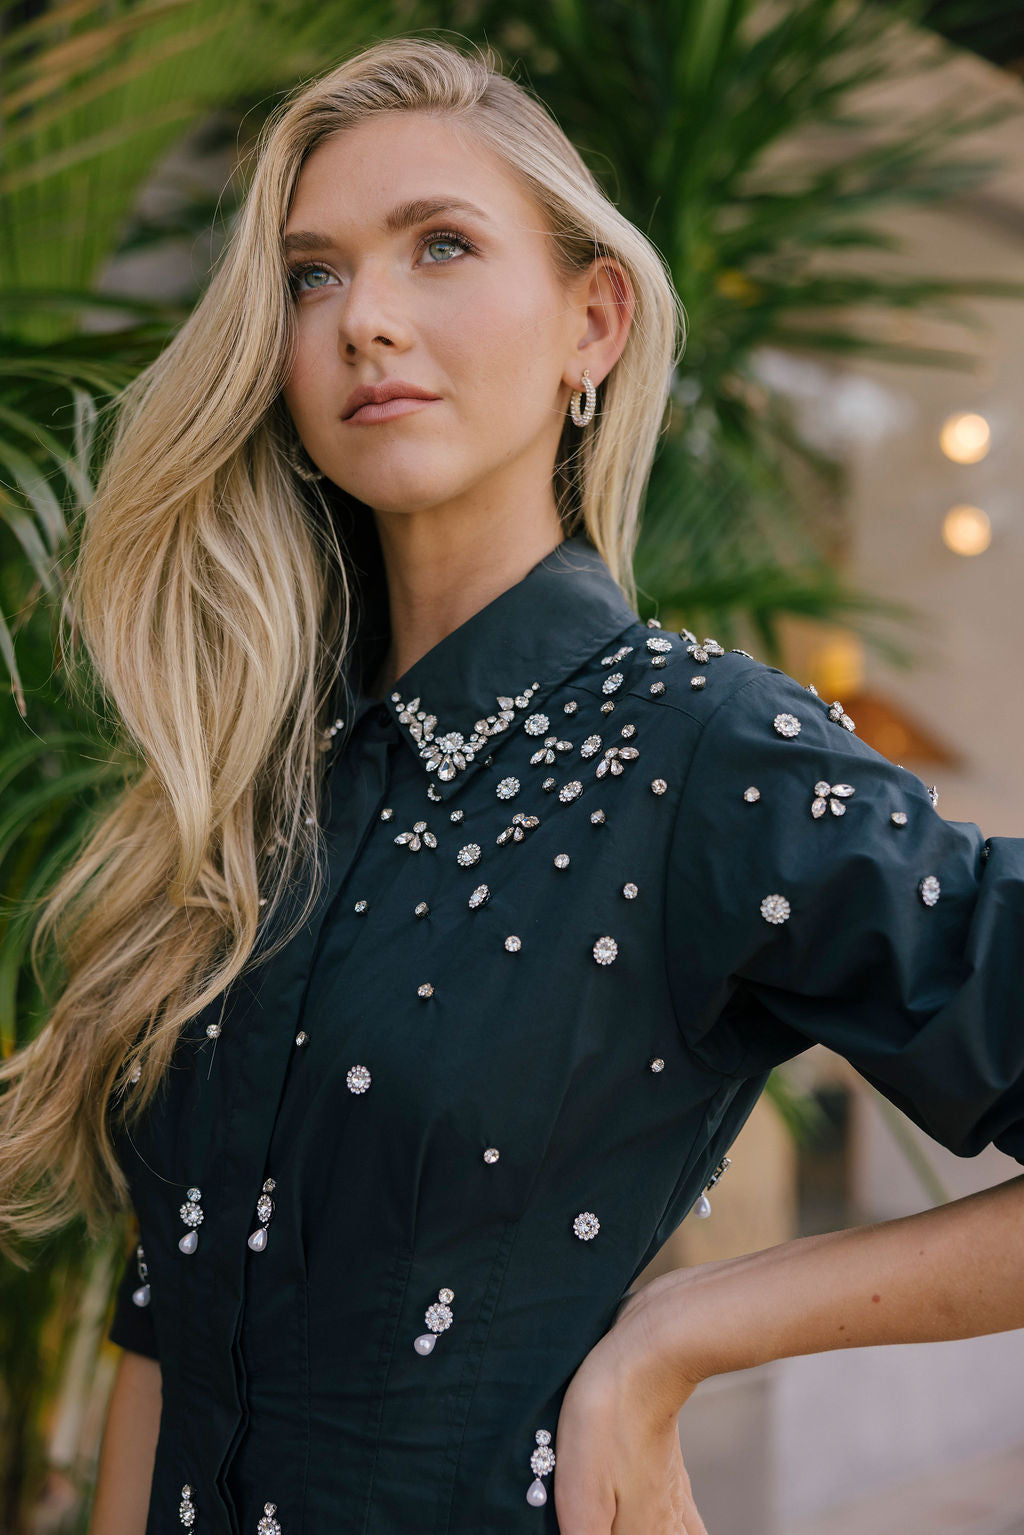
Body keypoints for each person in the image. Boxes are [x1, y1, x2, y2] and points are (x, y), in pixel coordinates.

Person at [1, 33, 1022, 1535]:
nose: (368, 321)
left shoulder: (707, 752)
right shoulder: (250, 772)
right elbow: (171, 1317)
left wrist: (679, 1341)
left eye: (441, 247)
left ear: (591, 324)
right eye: (313, 276)